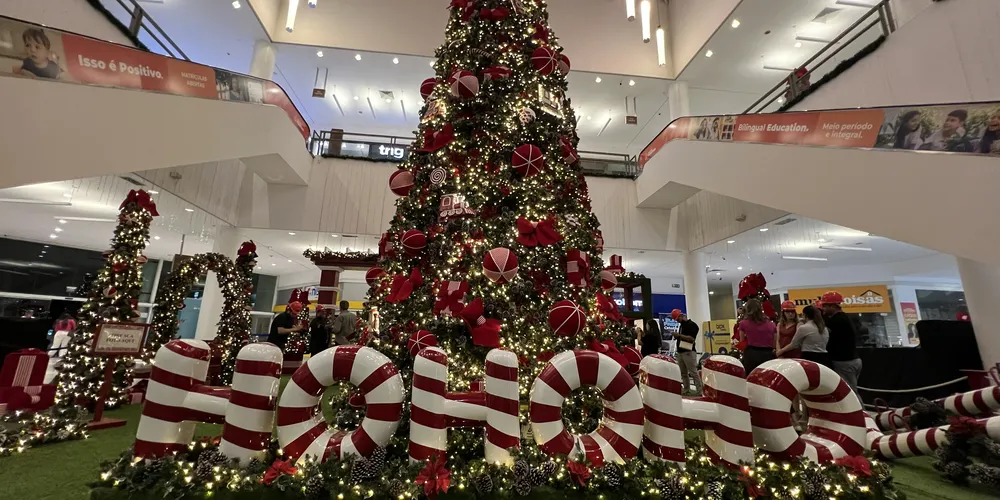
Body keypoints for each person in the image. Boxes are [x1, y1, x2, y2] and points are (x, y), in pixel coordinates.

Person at [821, 291, 863, 398]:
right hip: (854, 359)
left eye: (825, 306)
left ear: (833, 306)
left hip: (844, 362)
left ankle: (860, 413)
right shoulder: (845, 318)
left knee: (850, 393)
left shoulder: (836, 320)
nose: (823, 309)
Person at [737, 299, 777, 376]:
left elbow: (742, 342)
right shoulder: (771, 324)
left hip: (751, 354)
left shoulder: (743, 324)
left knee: (751, 378)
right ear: (761, 309)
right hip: (767, 354)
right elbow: (774, 343)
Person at [670, 309, 702, 395]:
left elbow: (691, 339)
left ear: (681, 316)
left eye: (677, 319)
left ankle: (699, 390)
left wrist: (679, 335)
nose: (677, 321)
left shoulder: (692, 325)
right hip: (681, 351)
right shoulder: (682, 326)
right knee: (683, 373)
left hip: (688, 351)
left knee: (693, 372)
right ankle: (686, 389)